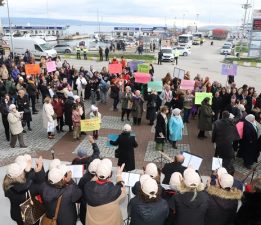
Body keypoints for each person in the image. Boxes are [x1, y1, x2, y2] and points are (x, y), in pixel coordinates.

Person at [84, 160, 126, 225]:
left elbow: (92, 181)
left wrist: (98, 173)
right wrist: (119, 176)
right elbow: (123, 192)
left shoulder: (87, 187)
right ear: (109, 174)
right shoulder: (116, 191)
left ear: (96, 174)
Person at [3, 157, 44, 225]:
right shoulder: (29, 188)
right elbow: (41, 185)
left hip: (16, 214)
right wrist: (39, 170)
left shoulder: (7, 185)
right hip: (30, 215)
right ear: (20, 174)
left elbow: (23, 183)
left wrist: (27, 172)